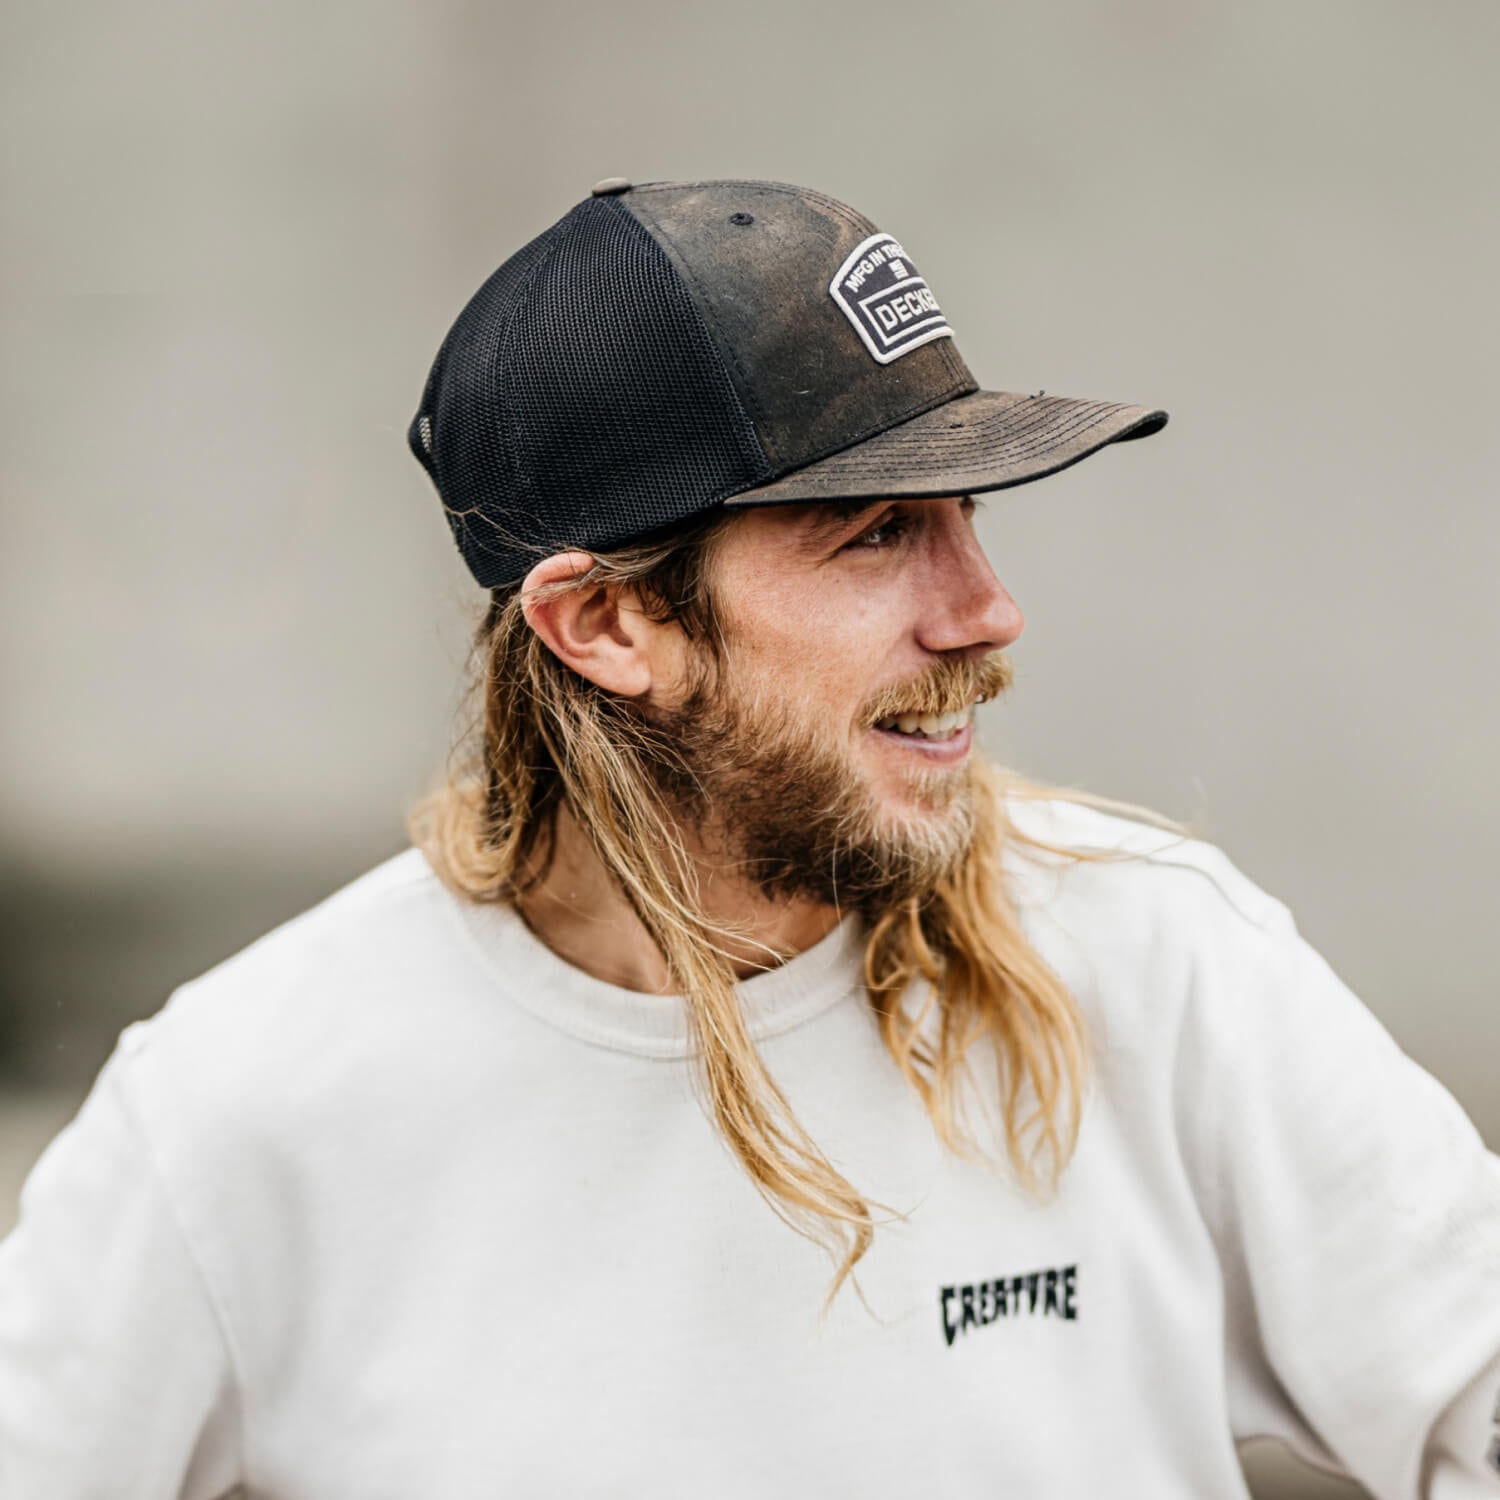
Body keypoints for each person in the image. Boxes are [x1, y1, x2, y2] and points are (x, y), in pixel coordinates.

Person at [1, 176, 1496, 1499]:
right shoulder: (245, 1109)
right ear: (606, 621)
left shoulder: (1158, 960)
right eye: (876, 532)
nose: (987, 609)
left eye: (969, 512)